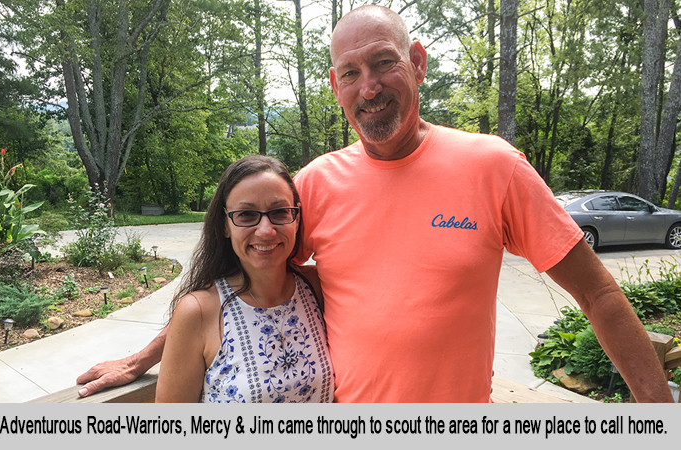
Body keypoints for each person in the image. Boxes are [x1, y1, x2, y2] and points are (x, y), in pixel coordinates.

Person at [77, 5, 673, 402]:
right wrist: (146, 355)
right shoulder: (312, 186)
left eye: (384, 63)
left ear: (415, 62)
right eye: (350, 73)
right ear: (336, 87)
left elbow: (598, 293)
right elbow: (241, 281)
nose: (370, 86)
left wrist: (657, 417)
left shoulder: (493, 166)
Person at [154, 155, 333, 402]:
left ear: (297, 218)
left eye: (280, 212)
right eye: (246, 215)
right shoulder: (198, 311)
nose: (266, 230)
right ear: (225, 225)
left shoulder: (316, 288)